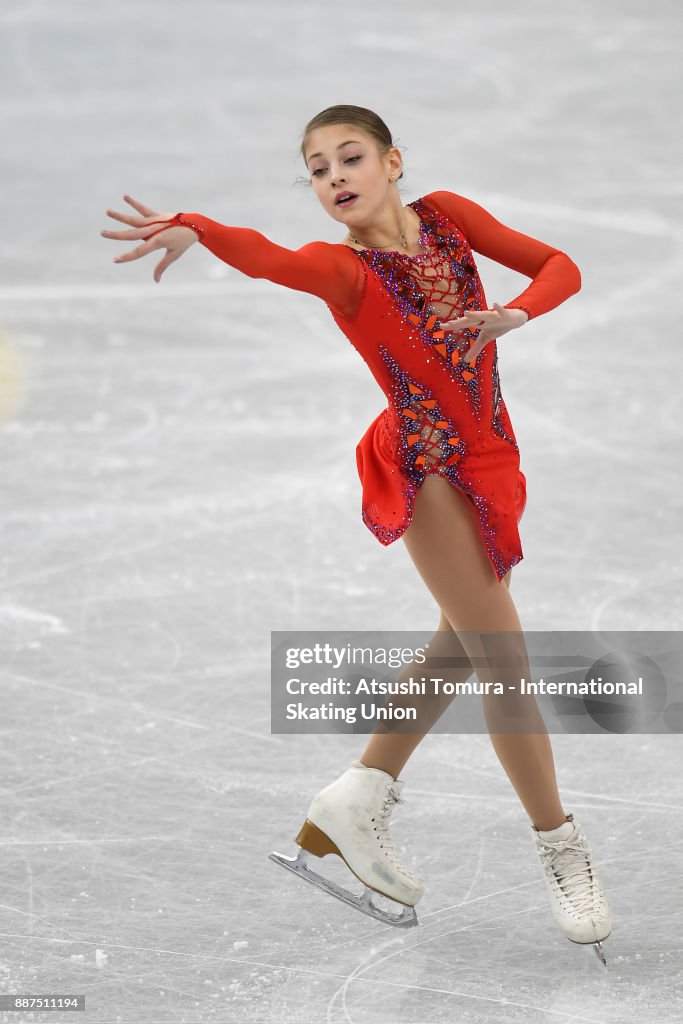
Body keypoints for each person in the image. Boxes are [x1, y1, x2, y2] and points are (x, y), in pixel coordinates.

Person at [101, 103, 612, 963]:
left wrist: (515, 315)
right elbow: (268, 258)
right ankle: (560, 847)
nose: (334, 177)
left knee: (459, 642)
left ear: (391, 162)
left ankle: (357, 794)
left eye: (349, 158)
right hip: (425, 470)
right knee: (502, 659)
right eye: (316, 168)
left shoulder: (449, 216)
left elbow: (560, 266)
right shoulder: (344, 272)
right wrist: (197, 225)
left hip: (490, 455)